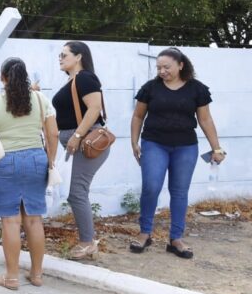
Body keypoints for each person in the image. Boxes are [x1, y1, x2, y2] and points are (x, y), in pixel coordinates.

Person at [130, 48, 225, 259]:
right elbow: (138, 116)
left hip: (185, 147)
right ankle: (145, 233)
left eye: (166, 67)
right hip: (154, 143)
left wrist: (216, 148)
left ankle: (176, 239)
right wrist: (134, 142)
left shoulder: (197, 89)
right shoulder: (150, 88)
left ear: (180, 65)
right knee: (151, 187)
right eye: (159, 68)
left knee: (180, 191)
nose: (162, 71)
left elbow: (205, 120)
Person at [0, 58, 58, 289]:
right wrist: (51, 161)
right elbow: (53, 134)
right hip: (36, 158)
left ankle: (12, 277)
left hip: (5, 160)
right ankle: (36, 275)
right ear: (25, 76)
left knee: (11, 220)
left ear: (2, 77)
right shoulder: (40, 99)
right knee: (34, 219)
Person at [51, 41, 110, 260]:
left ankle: (88, 243)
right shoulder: (74, 80)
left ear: (79, 57)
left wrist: (76, 136)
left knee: (77, 192)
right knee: (75, 192)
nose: (60, 58)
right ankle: (87, 240)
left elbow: (95, 108)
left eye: (64, 54)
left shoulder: (85, 78)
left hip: (86, 142)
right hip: (77, 142)